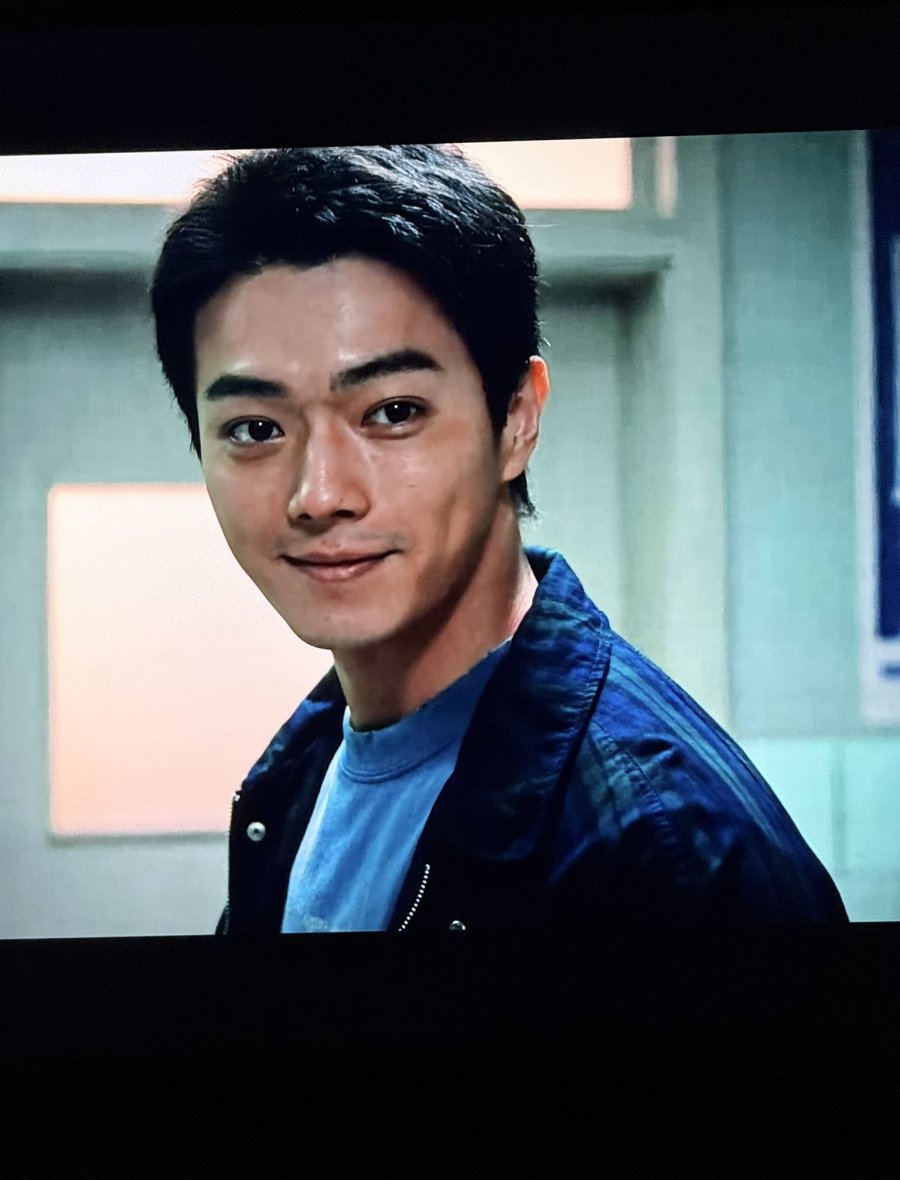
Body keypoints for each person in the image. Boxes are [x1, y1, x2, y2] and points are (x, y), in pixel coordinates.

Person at [150, 144, 848, 932]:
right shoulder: (304, 770)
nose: (319, 495)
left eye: (393, 413)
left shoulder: (665, 857)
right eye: (255, 428)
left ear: (516, 418)